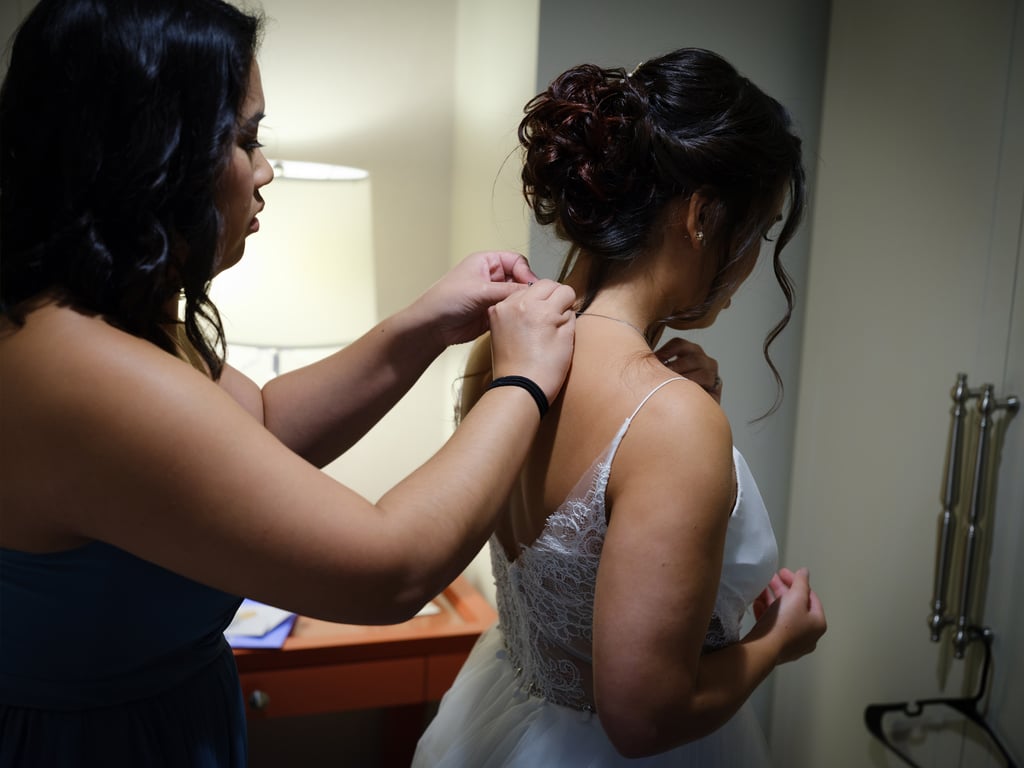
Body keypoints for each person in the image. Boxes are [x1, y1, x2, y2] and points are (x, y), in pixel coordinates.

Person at [0, 1, 577, 766]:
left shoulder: (97, 305)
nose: (264, 170)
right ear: (151, 153)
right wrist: (523, 384)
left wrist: (424, 325)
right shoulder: (78, 368)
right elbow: (389, 568)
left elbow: (256, 424)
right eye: (244, 140)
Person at [413, 47, 828, 767]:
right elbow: (643, 717)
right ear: (700, 216)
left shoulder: (502, 350)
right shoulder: (670, 422)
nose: (754, 258)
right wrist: (776, 640)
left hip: (501, 721)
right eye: (757, 231)